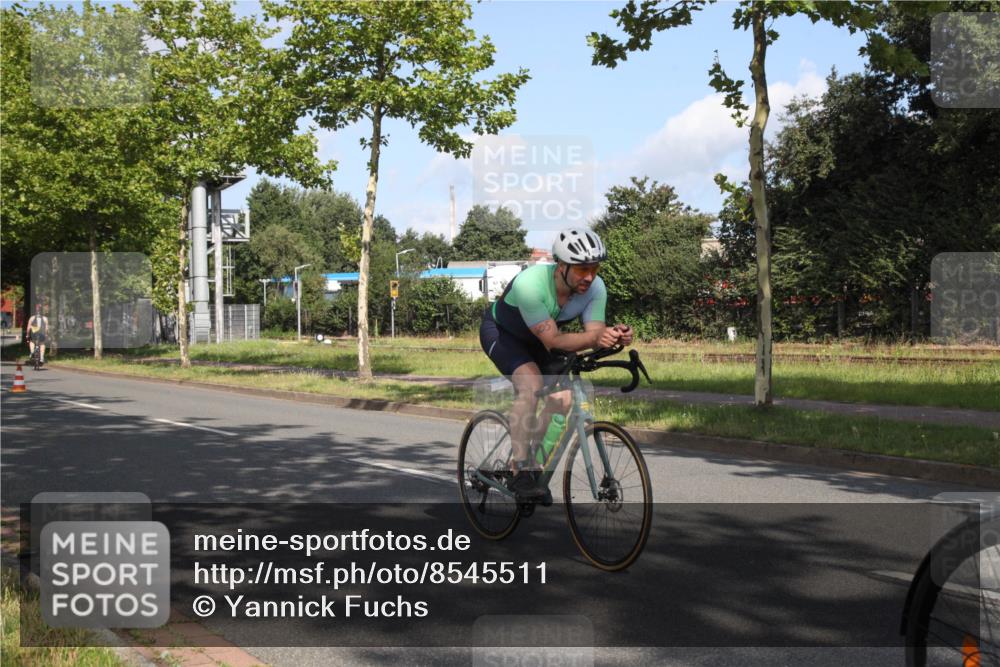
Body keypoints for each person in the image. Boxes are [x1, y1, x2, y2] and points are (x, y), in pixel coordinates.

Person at [479, 228, 633, 499]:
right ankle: (520, 468)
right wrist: (596, 337)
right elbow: (552, 340)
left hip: (539, 339)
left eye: (594, 268)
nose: (590, 276)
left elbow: (593, 333)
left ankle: (534, 464)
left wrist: (612, 337)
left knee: (562, 398)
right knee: (531, 384)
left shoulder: (596, 288)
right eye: (582, 269)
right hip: (503, 333)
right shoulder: (531, 284)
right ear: (561, 266)